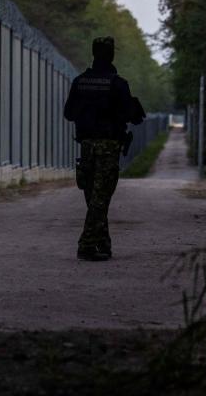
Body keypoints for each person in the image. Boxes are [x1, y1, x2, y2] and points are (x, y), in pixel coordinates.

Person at [63, 36, 145, 261]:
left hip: (87, 145)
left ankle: (103, 242)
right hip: (108, 146)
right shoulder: (118, 84)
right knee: (101, 197)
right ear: (111, 55)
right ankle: (87, 245)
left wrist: (87, 111)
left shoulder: (80, 82)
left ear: (93, 53)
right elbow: (134, 116)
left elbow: (69, 113)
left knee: (94, 197)